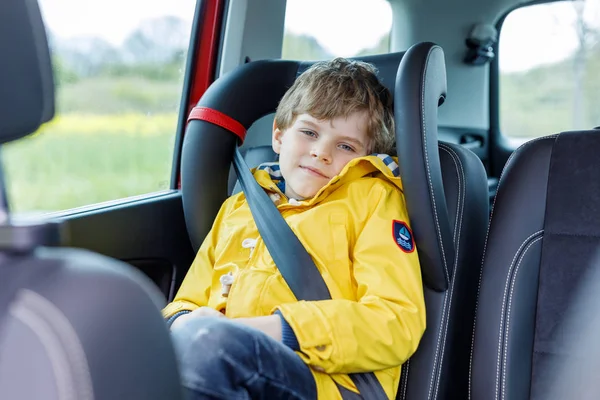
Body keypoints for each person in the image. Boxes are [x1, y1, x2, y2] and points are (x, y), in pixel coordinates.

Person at [162, 58, 426, 400]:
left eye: (345, 146)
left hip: (324, 382)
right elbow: (187, 300)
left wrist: (280, 329)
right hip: (218, 359)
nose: (321, 153)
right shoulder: (239, 208)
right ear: (278, 136)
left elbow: (396, 320)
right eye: (310, 132)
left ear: (367, 156)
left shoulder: (374, 200)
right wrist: (181, 323)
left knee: (210, 347)